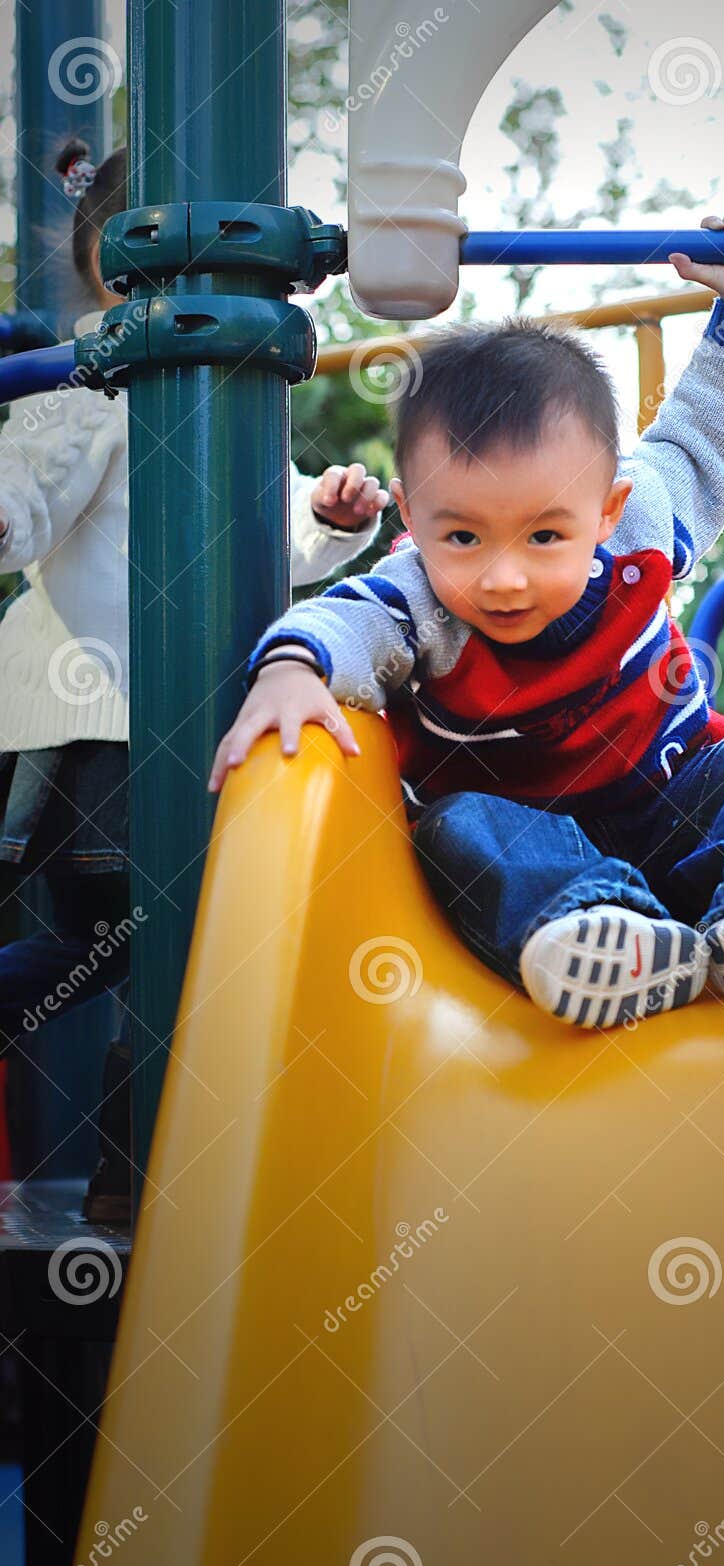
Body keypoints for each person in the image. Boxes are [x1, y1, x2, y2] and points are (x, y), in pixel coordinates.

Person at [208, 210, 724, 1030]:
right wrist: (288, 670)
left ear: (606, 512)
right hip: (536, 862)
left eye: (545, 535)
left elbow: (699, 440)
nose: (504, 575)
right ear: (411, 519)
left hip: (674, 812)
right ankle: (597, 939)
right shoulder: (419, 598)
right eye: (461, 536)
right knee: (454, 824)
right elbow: (352, 622)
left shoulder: (640, 527)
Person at [0, 140, 390, 1217]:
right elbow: (29, 493)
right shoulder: (96, 372)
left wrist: (326, 516)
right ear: (115, 272)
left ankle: (146, 1187)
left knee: (156, 941)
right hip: (104, 726)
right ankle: (140, 1189)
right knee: (150, 937)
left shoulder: (234, 387)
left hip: (165, 723)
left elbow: (265, 538)